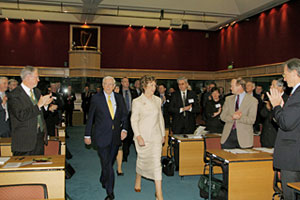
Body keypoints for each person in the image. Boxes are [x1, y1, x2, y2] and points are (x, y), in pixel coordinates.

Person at [84, 76, 128, 200]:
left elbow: (124, 115)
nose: (108, 86)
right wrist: (87, 134)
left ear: (114, 86)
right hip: (101, 136)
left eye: (111, 84)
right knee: (108, 164)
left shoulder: (119, 98)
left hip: (115, 137)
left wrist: (124, 129)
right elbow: (91, 118)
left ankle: (103, 178)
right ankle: (110, 192)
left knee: (109, 162)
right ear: (103, 85)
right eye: (106, 84)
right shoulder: (96, 98)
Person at [267, 58, 300, 200]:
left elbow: (287, 123)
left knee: (290, 195)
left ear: (294, 72)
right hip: (295, 154)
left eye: (285, 74)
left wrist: (276, 106)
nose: (284, 78)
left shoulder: (298, 94)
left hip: (293, 156)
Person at [131, 75, 165, 200]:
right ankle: (138, 178)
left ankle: (159, 194)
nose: (153, 88)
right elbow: (134, 120)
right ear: (144, 87)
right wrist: (138, 136)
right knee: (142, 160)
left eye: (154, 85)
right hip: (142, 137)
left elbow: (160, 118)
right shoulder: (137, 102)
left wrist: (163, 134)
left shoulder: (157, 100)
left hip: (155, 137)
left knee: (156, 163)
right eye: (151, 85)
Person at [7, 66, 52, 155]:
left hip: (39, 137)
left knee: (38, 167)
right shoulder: (14, 95)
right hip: (24, 141)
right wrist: (39, 105)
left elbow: (39, 113)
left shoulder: (37, 92)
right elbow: (21, 115)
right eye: (36, 77)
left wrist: (45, 106)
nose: (38, 80)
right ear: (28, 77)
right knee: (25, 169)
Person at [220, 77, 258, 149]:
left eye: (232, 86)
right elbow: (223, 116)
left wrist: (240, 118)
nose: (230, 88)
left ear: (239, 86)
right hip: (228, 137)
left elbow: (252, 120)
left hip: (244, 139)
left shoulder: (252, 101)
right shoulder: (228, 99)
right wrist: (232, 117)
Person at [260, 78, 288, 148]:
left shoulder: (287, 100)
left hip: (278, 137)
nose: (270, 87)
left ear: (280, 87)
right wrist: (267, 108)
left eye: (273, 85)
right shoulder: (269, 98)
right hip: (266, 137)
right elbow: (262, 114)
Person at [119, 77, 138, 162]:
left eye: (128, 81)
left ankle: (137, 155)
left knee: (133, 135)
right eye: (125, 82)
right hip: (122, 116)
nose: (127, 83)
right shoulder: (118, 92)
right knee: (124, 136)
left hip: (132, 115)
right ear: (122, 83)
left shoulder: (133, 92)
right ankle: (124, 156)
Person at [113, 83, 124, 176]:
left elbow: (124, 113)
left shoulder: (121, 99)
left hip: (118, 126)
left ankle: (119, 168)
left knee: (119, 147)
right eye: (115, 88)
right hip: (108, 128)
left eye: (118, 88)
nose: (116, 90)